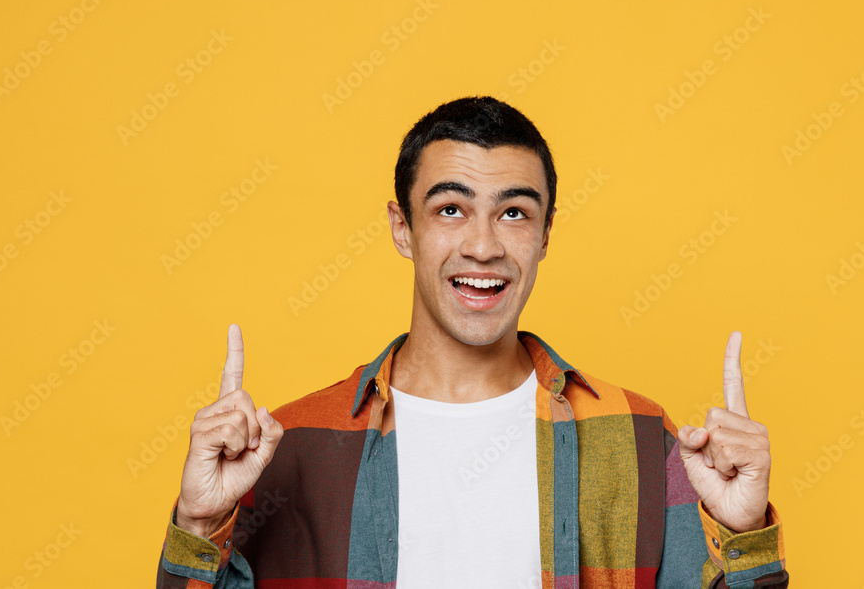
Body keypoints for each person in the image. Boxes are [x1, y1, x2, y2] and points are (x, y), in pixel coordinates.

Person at [156, 96, 788, 588]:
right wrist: (200, 525)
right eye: (451, 209)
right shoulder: (288, 448)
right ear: (402, 228)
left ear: (545, 235)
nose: (484, 245)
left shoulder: (638, 437)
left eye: (514, 212)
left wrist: (742, 534)